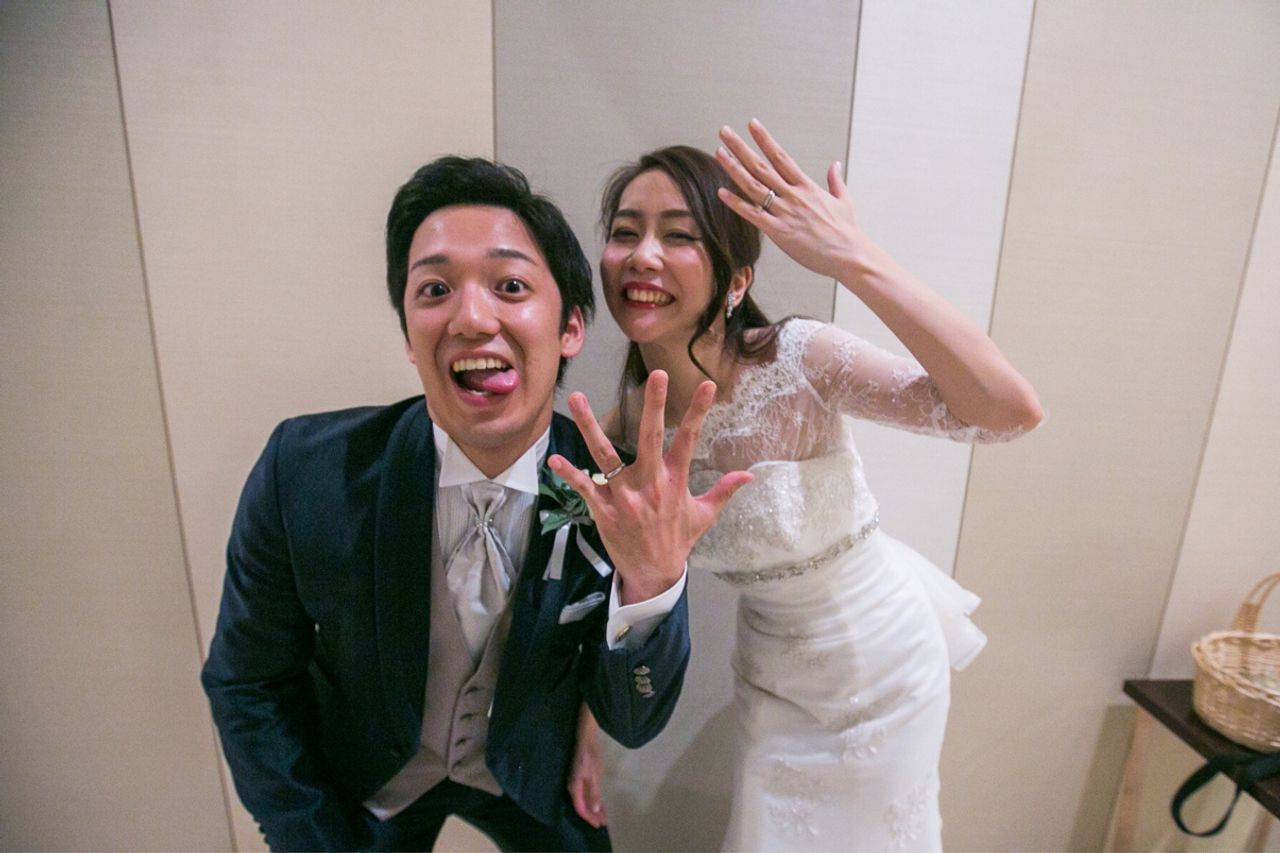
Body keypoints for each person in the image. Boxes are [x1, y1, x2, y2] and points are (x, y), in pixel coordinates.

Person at [200, 156, 751, 852]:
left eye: (510, 285)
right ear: (408, 333)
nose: (471, 317)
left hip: (527, 770)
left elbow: (633, 722)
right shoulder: (306, 471)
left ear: (571, 327)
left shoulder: (618, 493)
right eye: (435, 289)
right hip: (368, 776)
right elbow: (247, 681)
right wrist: (308, 836)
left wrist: (652, 586)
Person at [566, 121, 1044, 851]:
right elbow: (598, 580)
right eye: (626, 232)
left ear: (736, 280)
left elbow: (1008, 411)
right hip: (771, 676)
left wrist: (855, 259)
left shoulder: (798, 361)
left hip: (883, 664)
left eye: (678, 235)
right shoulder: (630, 425)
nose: (644, 255)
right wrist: (587, 733)